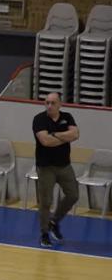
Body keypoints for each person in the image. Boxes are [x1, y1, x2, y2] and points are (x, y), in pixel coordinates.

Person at [32, 92, 80, 247]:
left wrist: (55, 134)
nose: (49, 106)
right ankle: (44, 233)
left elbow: (76, 134)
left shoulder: (67, 117)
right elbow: (45, 141)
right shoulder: (39, 119)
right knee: (46, 201)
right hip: (46, 167)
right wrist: (65, 137)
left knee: (73, 195)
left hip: (64, 165)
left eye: (53, 103)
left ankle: (54, 221)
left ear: (60, 104)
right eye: (47, 102)